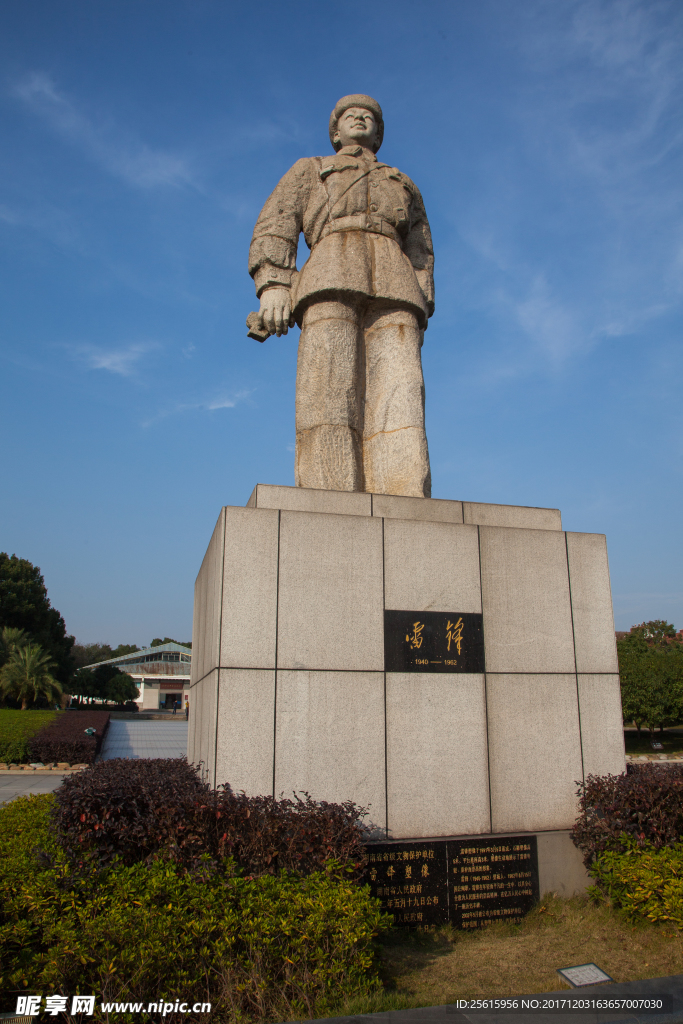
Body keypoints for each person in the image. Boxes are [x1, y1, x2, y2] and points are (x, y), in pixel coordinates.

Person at [248, 95, 434, 497]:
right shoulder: (310, 170)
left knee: (401, 389)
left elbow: (421, 249)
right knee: (329, 386)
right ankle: (327, 490)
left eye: (369, 116)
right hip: (329, 269)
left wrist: (423, 304)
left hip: (395, 280)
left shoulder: (403, 182)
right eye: (351, 115)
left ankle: (403, 493)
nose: (361, 117)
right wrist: (274, 284)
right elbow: (276, 224)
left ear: (380, 133)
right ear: (335, 130)